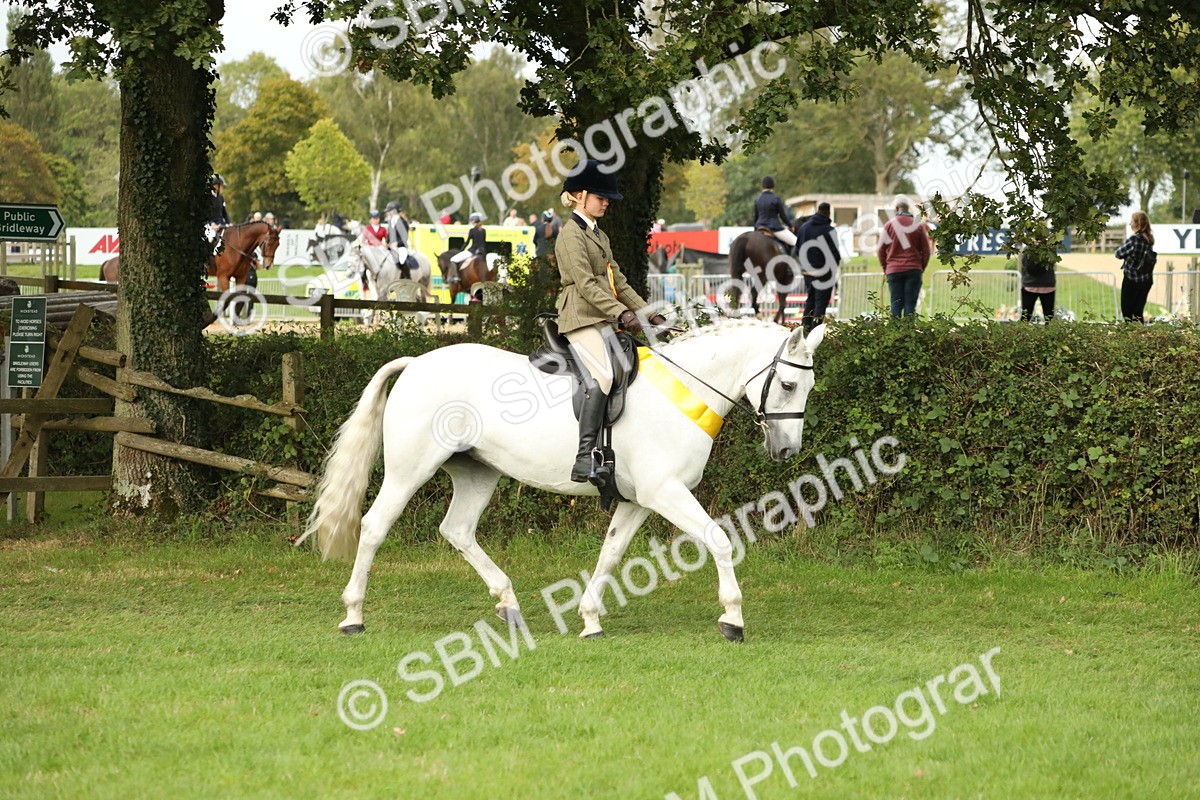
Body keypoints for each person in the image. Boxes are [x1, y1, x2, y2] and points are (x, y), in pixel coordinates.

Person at [555, 159, 668, 486]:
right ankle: (584, 456)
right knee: (603, 375)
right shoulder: (570, 235)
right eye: (601, 197)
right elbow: (587, 285)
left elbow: (618, 280)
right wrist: (622, 314)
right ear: (580, 195)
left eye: (607, 198)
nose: (606, 202)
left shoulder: (598, 235)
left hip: (601, 315)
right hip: (580, 316)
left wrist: (649, 314)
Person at [877, 199, 932, 317]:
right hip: (913, 269)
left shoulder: (889, 225)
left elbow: (881, 249)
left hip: (894, 270)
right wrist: (921, 267)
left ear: (897, 209)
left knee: (896, 303)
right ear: (908, 210)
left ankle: (895, 333)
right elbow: (926, 250)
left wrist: (886, 268)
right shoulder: (918, 225)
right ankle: (908, 333)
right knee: (910, 305)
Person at [795, 202, 842, 333]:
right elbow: (834, 255)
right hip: (824, 273)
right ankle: (815, 334)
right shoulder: (830, 230)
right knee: (820, 304)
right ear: (829, 213)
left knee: (810, 301)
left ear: (817, 211)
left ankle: (804, 330)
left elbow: (797, 249)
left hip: (807, 272)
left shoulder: (804, 228)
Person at [1115, 210, 1156, 323]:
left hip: (1132, 278)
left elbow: (1118, 253)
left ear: (1138, 223)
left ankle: (1130, 336)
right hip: (1146, 279)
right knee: (1138, 311)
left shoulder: (1135, 239)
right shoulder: (1149, 239)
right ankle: (1140, 336)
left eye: (1132, 221)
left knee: (1127, 311)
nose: (1130, 223)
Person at [752, 176, 796, 249]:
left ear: (762, 186)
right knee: (796, 242)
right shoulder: (776, 198)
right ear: (773, 185)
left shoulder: (757, 199)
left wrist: (755, 229)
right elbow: (783, 216)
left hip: (760, 227)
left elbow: (756, 217)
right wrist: (791, 226)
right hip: (774, 228)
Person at [1019, 247, 1057, 323]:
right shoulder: (1050, 248)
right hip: (1047, 285)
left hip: (1029, 285)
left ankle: (1020, 334)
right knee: (1049, 318)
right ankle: (1050, 334)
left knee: (1025, 317)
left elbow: (1024, 263)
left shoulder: (1027, 249)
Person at [384, 201, 412, 279]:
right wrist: (387, 242)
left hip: (401, 247)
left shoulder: (403, 222)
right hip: (391, 247)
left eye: (389, 211)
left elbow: (405, 237)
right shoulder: (390, 222)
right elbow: (389, 235)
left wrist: (397, 243)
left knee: (402, 260)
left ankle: (407, 277)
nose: (388, 213)